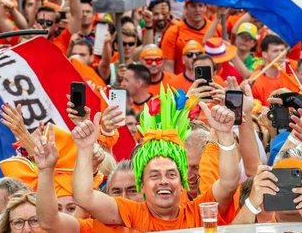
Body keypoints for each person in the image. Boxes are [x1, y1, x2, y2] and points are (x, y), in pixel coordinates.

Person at [71, 87, 240, 230]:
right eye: (154, 175)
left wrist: (224, 134)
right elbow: (84, 197)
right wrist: (85, 149)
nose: (163, 181)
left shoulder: (197, 212)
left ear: (182, 185)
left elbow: (229, 183)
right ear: (142, 186)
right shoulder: (132, 213)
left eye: (171, 174)